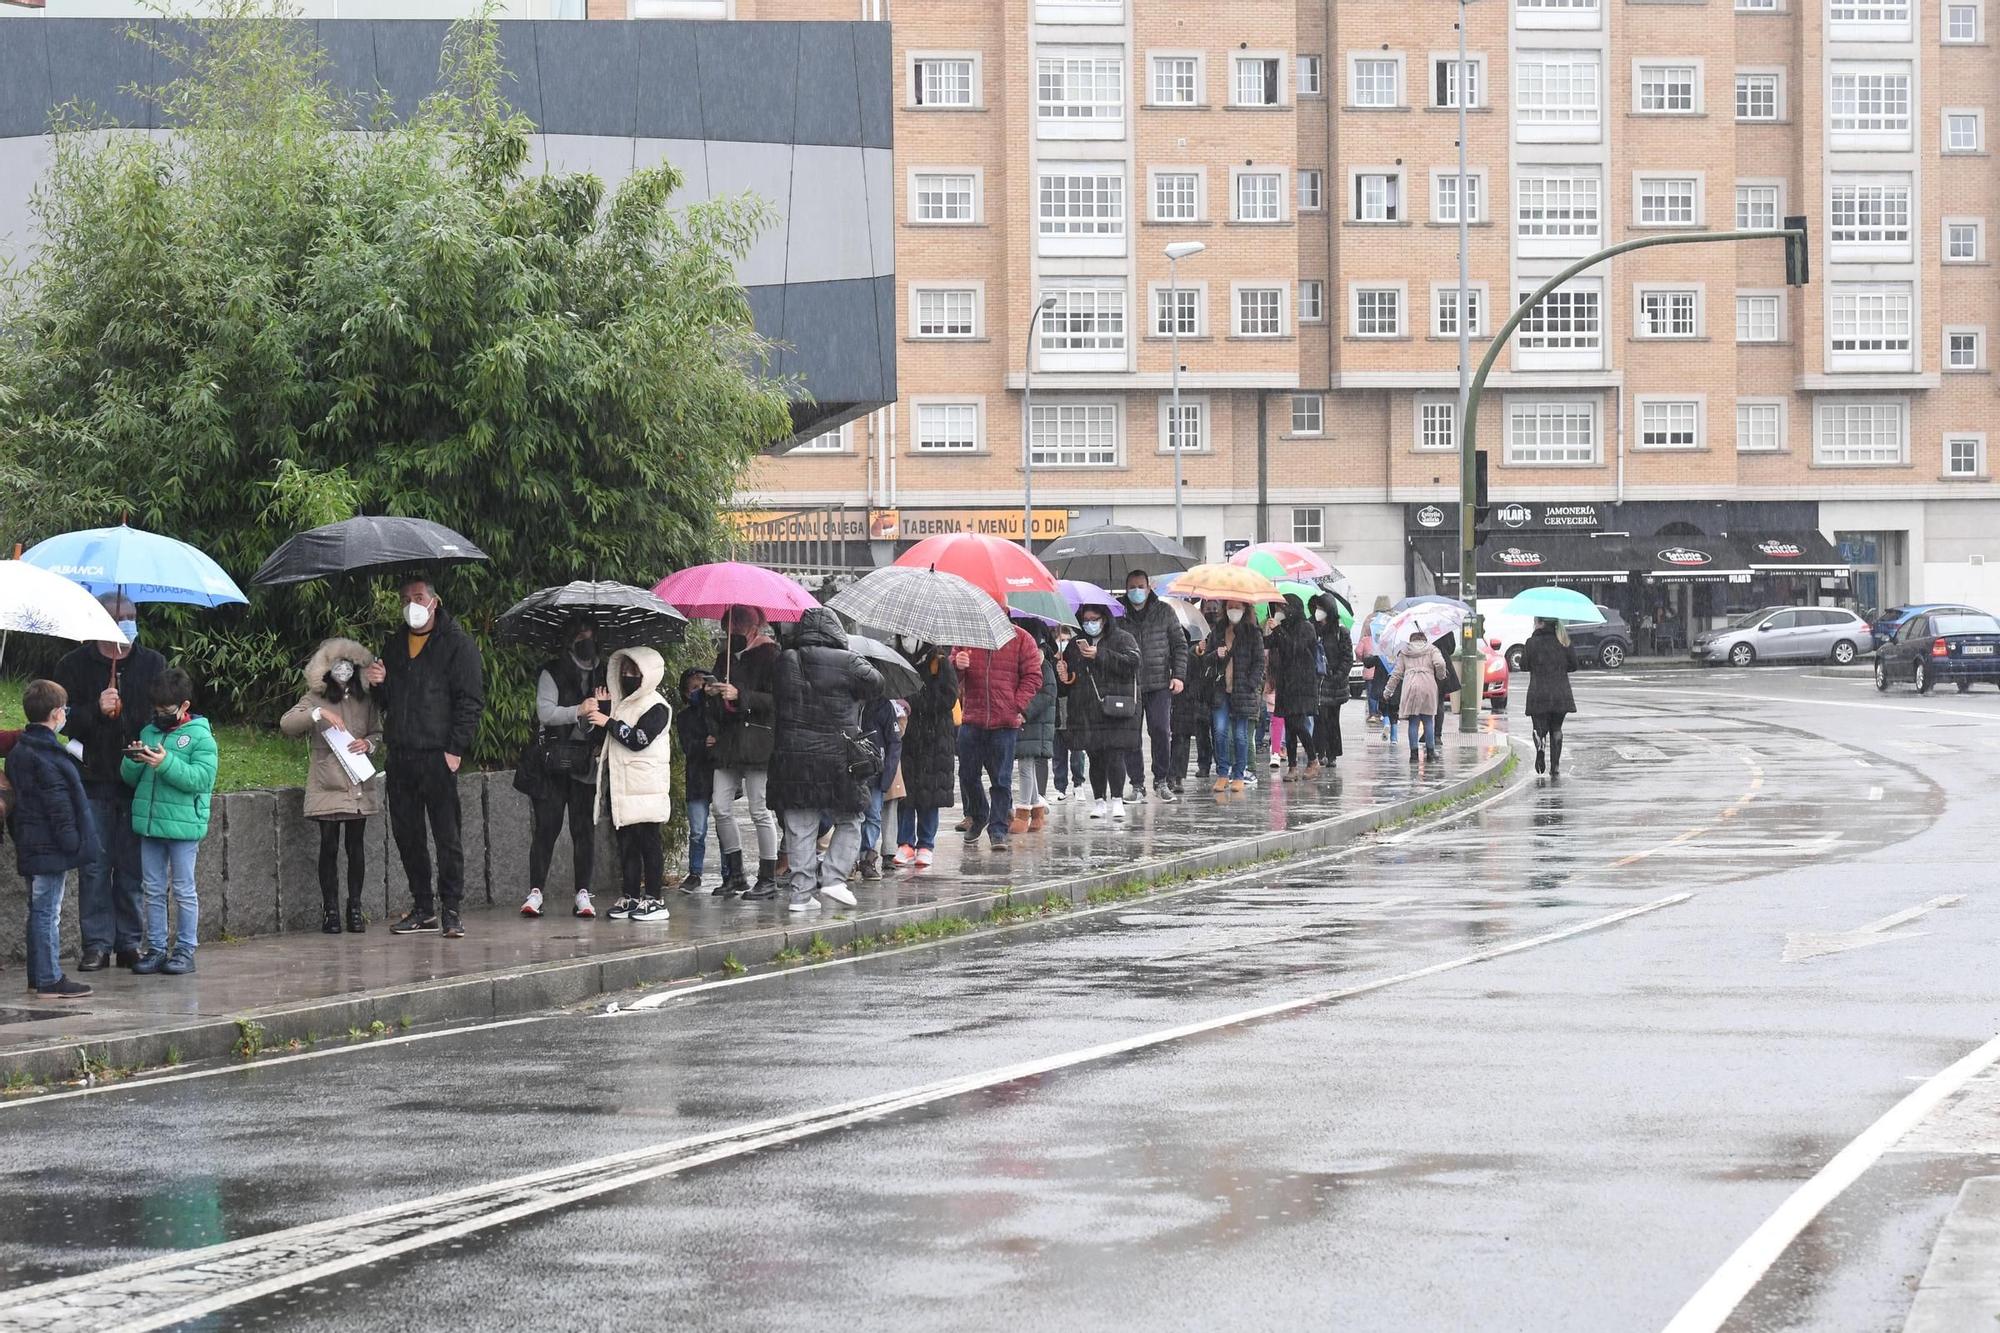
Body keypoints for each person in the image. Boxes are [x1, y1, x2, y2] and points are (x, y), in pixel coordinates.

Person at [363, 575, 484, 939]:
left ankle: (451, 909)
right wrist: (379, 683)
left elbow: (470, 700)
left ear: (434, 600)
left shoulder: (458, 645)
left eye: (418, 597)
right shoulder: (395, 644)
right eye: (405, 598)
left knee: (447, 836)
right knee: (408, 835)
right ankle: (423, 907)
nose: (411, 604)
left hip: (438, 755)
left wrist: (454, 749)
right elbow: (387, 703)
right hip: (401, 754)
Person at [54, 594, 163, 972]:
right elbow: (63, 721)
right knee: (96, 865)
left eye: (133, 616)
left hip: (137, 779)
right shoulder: (73, 665)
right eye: (121, 616)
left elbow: (162, 713)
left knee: (132, 867)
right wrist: (96, 711)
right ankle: (96, 944)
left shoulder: (152, 662)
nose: (128, 622)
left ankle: (129, 942)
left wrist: (139, 727)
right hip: (93, 777)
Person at [768, 607, 884, 913]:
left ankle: (800, 895)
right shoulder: (848, 662)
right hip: (837, 759)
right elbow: (877, 684)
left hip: (792, 759)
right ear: (836, 632)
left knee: (800, 826)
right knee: (851, 818)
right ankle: (833, 878)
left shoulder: (784, 661)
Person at [279, 638, 383, 935]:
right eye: (337, 663)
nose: (343, 669)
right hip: (327, 782)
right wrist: (318, 714)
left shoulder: (366, 698)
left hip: (358, 780)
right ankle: (331, 910)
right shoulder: (316, 695)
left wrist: (369, 744)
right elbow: (287, 723)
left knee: (356, 846)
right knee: (329, 845)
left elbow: (377, 732)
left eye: (349, 664)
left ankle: (355, 908)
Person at [121, 668, 217, 976]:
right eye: (157, 710)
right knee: (152, 888)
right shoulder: (150, 731)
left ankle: (186, 950)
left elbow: (201, 779)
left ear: (184, 706)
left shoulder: (200, 736)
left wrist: (165, 763)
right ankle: (156, 948)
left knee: (184, 889)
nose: (160, 716)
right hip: (150, 825)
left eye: (167, 711)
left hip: (184, 826)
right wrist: (133, 758)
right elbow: (129, 778)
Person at [9, 681, 95, 999]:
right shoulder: (47, 754)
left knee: (39, 910)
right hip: (50, 847)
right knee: (47, 912)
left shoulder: (21, 749)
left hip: (30, 842)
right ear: (56, 713)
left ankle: (38, 976)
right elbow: (59, 807)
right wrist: (73, 843)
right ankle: (48, 978)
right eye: (64, 711)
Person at [519, 623, 606, 920]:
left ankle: (583, 893)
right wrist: (577, 710)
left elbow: (611, 715)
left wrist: (599, 718)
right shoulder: (551, 671)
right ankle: (535, 892)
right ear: (569, 641)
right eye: (580, 637)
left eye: (591, 638)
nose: (587, 643)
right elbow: (545, 713)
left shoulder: (604, 673)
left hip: (586, 764)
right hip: (553, 764)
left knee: (584, 831)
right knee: (547, 827)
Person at [588, 647, 674, 923]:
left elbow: (638, 738)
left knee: (649, 842)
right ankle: (630, 895)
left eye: (634, 673)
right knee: (626, 844)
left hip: (647, 785)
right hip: (624, 786)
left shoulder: (657, 705)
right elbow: (611, 735)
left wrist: (608, 721)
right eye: (624, 671)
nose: (628, 677)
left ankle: (655, 898)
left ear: (648, 675)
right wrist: (603, 710)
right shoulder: (624, 703)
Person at [706, 606, 782, 899]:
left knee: (759, 809)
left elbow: (776, 701)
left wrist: (741, 696)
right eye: (728, 630)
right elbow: (715, 702)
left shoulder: (771, 655)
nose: (731, 635)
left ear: (753, 628)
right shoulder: (723, 657)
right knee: (720, 806)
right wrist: (712, 692)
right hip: (728, 741)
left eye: (736, 629)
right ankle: (735, 874)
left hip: (757, 742)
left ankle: (767, 876)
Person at [951, 620, 1042, 853]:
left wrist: (1017, 705)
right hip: (972, 719)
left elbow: (1033, 676)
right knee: (967, 775)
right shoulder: (967, 636)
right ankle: (979, 814)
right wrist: (956, 665)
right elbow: (951, 679)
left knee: (1001, 780)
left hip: (1005, 722)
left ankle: (998, 828)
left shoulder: (1022, 638)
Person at [1054, 599, 1142, 819]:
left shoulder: (1122, 638)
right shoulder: (1075, 645)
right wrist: (1065, 676)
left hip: (1114, 709)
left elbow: (1132, 663)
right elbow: (1073, 680)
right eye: (1086, 620)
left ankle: (1117, 799)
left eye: (1094, 620)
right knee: (1095, 757)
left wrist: (1100, 655)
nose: (1090, 624)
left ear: (1104, 619)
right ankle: (1100, 800)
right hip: (1087, 711)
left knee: (1115, 755)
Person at [1120, 571, 1189, 802]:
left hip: (1159, 683)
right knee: (1130, 737)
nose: (1136, 591)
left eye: (1140, 586)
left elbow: (1180, 645)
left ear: (1149, 587)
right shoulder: (1118, 613)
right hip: (1128, 684)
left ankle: (1162, 780)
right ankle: (1137, 784)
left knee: (1160, 730)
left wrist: (1178, 675)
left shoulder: (1164, 612)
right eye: (1132, 587)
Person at [893, 638, 957, 869]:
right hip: (907, 737)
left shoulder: (940, 662)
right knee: (906, 793)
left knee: (931, 794)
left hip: (935, 739)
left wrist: (913, 701)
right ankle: (905, 842)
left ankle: (926, 845)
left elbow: (948, 698)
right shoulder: (897, 658)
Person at [1208, 603, 1265, 793]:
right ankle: (1223, 773)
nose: (1234, 610)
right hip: (1219, 689)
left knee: (1241, 736)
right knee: (1220, 731)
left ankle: (1239, 774)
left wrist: (1251, 683)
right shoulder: (1218, 631)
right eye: (1230, 606)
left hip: (1243, 690)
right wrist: (1216, 654)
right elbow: (1206, 659)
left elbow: (1259, 661)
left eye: (1237, 607)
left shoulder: (1253, 632)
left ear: (1245, 609)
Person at [1009, 620, 1059, 834]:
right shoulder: (1023, 663)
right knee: (1025, 764)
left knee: (1025, 767)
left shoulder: (1044, 665)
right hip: (1025, 721)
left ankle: (1023, 813)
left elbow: (1047, 695)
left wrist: (1024, 711)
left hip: (1034, 723)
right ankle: (1037, 811)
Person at [1266, 594, 1318, 780]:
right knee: (1289, 724)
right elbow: (1269, 643)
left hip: (1302, 683)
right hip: (1286, 682)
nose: (1281, 612)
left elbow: (1294, 648)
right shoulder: (1284, 627)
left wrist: (1278, 630)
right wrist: (1268, 629)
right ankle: (1293, 766)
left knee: (1298, 722)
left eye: (1283, 608)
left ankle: (1313, 759)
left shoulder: (1306, 627)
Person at [674, 668, 717, 893]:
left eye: (702, 686)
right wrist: (703, 743)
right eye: (693, 688)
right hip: (697, 778)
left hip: (718, 775)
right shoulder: (683, 717)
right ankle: (695, 872)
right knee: (697, 830)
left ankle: (731, 872)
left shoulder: (717, 711)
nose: (698, 691)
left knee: (724, 826)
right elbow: (688, 748)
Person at [1520, 618, 1581, 776]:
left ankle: (1540, 745)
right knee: (1556, 729)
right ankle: (1555, 767)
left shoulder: (1531, 643)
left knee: (1539, 728)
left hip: (1538, 693)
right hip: (1560, 693)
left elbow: (1523, 665)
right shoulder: (1564, 641)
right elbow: (1573, 665)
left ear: (1540, 622)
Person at [854, 687, 904, 879]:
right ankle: (849, 859)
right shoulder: (847, 701)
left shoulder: (883, 705)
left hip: (875, 770)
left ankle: (867, 858)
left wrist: (888, 773)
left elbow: (894, 742)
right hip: (852, 768)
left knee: (873, 815)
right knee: (851, 816)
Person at [1386, 630, 1448, 763]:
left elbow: (1396, 674)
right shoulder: (1432, 649)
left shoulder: (1405, 652)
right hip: (1428, 684)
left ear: (1411, 640)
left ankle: (1413, 755)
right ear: (1424, 639)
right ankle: (1430, 753)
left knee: (1413, 721)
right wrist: (1440, 675)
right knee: (1428, 720)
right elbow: (1441, 664)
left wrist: (1388, 691)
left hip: (1411, 685)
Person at [1170, 620, 1215, 791]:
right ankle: (1172, 775)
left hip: (1188, 700)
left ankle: (1177, 776)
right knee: (1176, 739)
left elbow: (1199, 673)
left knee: (1182, 738)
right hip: (1175, 699)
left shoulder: (1191, 653)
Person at [1311, 596, 1353, 770]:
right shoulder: (1313, 629)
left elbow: (1347, 658)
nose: (1317, 612)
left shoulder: (1340, 632)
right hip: (1318, 682)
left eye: (1321, 608)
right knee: (1319, 718)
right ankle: (1320, 752)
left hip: (1335, 684)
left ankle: (1332, 753)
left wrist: (1337, 676)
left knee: (1332, 720)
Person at [1047, 623, 1086, 801]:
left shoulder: (1074, 659)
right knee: (1058, 751)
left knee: (1077, 751)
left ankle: (1079, 783)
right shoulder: (1050, 660)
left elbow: (1076, 682)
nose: (1064, 643)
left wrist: (1067, 676)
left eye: (1067, 640)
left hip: (1074, 709)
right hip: (1056, 711)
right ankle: (1060, 786)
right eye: (1061, 640)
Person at [1433, 628, 1464, 753]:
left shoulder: (1423, 628)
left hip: (1428, 667)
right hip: (1444, 667)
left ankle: (1428, 732)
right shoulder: (1444, 628)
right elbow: (1451, 649)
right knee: (1439, 702)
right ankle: (1437, 735)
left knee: (1427, 703)